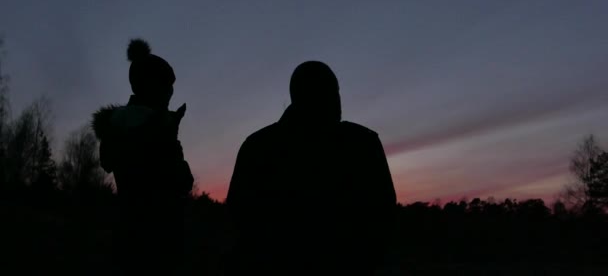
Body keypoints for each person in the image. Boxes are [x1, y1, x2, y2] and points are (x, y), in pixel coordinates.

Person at [226, 61, 397, 276]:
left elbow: (238, 213)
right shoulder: (362, 143)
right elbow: (383, 211)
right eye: (332, 92)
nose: (337, 100)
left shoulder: (257, 145)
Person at [92, 39, 193, 275]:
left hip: (129, 236)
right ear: (152, 86)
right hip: (156, 244)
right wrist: (169, 135)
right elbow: (178, 180)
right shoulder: (156, 127)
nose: (171, 92)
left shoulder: (120, 125)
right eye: (167, 86)